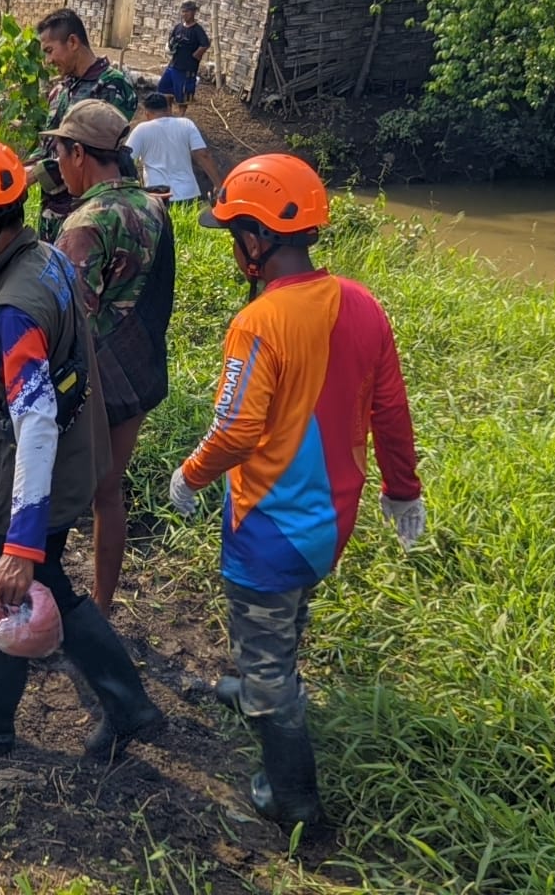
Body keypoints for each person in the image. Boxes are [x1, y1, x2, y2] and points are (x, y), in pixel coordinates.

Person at [166, 154, 426, 834]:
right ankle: (259, 680)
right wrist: (403, 489)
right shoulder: (362, 302)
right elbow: (392, 409)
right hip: (333, 520)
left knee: (268, 656)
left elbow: (237, 429)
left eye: (232, 236)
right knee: (284, 623)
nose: (231, 250)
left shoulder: (261, 321)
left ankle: (294, 801)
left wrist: (189, 475)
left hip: (270, 528)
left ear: (257, 241)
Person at [0, 133, 165, 759]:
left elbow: (37, 417)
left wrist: (18, 543)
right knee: (50, 580)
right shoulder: (45, 257)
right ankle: (130, 705)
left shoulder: (13, 308)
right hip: (66, 468)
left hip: (20, 484)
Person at [41, 100, 175, 615]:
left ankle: (41, 597)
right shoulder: (151, 205)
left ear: (80, 153)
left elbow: (63, 312)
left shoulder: (88, 222)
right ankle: (100, 604)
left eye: (59, 152)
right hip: (136, 368)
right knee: (108, 492)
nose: (57, 164)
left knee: (47, 487)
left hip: (89, 380)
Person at [29, 8, 140, 244]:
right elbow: (48, 148)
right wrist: (16, 168)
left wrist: (34, 173)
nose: (47, 61)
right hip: (53, 213)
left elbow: (94, 152)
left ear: (72, 42)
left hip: (91, 216)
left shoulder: (113, 86)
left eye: (50, 51)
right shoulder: (60, 91)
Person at [126, 92, 224, 203]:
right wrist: (219, 185)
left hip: (159, 197)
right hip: (189, 194)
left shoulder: (141, 130)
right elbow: (203, 155)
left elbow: (126, 160)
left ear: (146, 113)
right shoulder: (186, 124)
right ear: (168, 109)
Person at [159, 0, 209, 113]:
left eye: (187, 11)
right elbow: (170, 40)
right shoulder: (178, 27)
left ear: (193, 13)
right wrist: (169, 48)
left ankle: (181, 117)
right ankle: (168, 113)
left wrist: (196, 56)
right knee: (165, 89)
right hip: (173, 65)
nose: (184, 14)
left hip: (186, 69)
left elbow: (205, 44)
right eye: (183, 11)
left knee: (183, 96)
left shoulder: (197, 30)